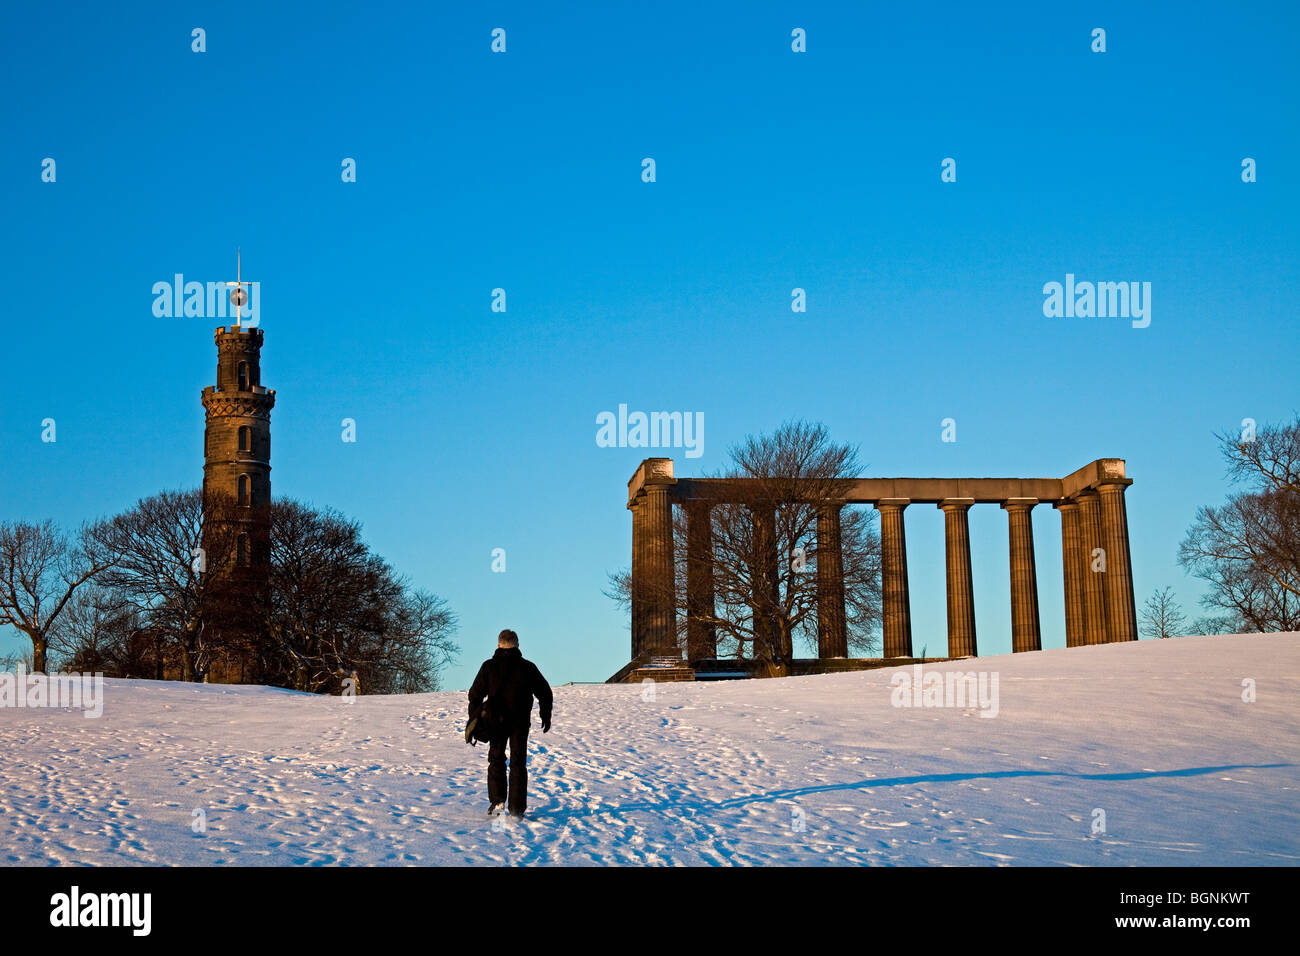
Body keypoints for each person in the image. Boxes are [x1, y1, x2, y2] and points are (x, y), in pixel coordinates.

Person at [467, 629, 553, 817]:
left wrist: (475, 718)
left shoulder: (489, 667)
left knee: (496, 758)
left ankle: (498, 802)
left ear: (498, 645)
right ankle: (516, 808)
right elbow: (545, 692)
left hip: (495, 721)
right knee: (518, 762)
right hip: (520, 722)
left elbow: (474, 695)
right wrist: (545, 714)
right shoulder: (528, 667)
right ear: (517, 645)